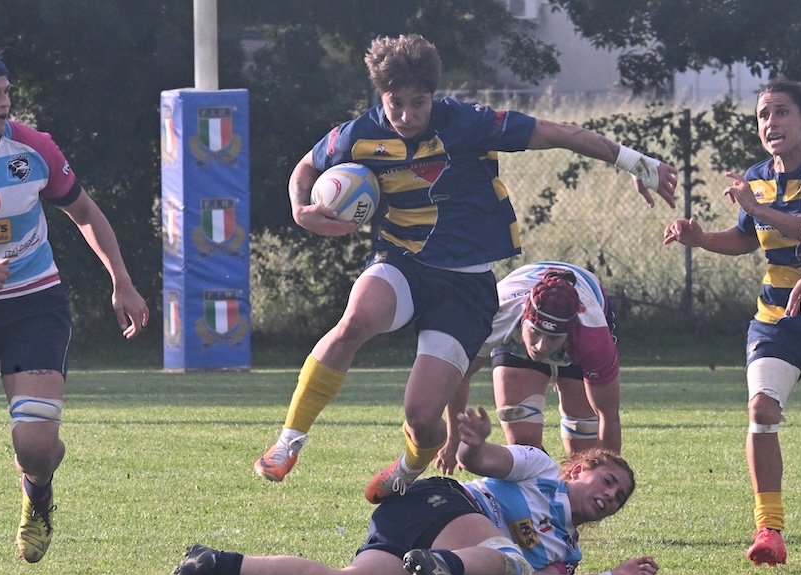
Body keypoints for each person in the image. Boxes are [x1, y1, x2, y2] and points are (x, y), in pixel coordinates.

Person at [253, 33, 678, 504]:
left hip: (466, 286)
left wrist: (637, 162)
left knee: (420, 416)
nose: (408, 115)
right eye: (397, 104)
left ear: (434, 95)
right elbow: (305, 169)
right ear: (381, 96)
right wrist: (299, 208)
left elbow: (560, 133)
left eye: (420, 103)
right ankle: (288, 443)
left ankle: (412, 463)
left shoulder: (469, 123)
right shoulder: (360, 134)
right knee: (355, 319)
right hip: (402, 259)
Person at [0, 50, 149, 575]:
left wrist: (120, 281)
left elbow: (84, 211)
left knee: (34, 445)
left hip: (35, 304)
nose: (4, 102)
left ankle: (37, 491)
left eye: (7, 91)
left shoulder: (33, 148)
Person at [662, 79, 801, 567]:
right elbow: (745, 239)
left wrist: (757, 208)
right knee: (761, 409)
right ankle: (768, 528)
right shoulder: (757, 176)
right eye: (762, 116)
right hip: (779, 320)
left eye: (781, 113)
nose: (770, 124)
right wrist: (701, 239)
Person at [174, 405, 658, 575]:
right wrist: (472, 442)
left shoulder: (566, 553)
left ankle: (218, 562)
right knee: (508, 562)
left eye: (619, 498)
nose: (612, 495)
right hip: (439, 500)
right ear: (579, 469)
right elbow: (481, 460)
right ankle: (441, 563)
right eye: (609, 480)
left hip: (417, 529)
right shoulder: (542, 469)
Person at [436, 261, 620, 477]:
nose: (541, 346)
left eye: (553, 338)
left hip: (585, 308)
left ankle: (572, 500)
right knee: (522, 437)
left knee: (584, 447)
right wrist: (453, 439)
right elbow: (460, 376)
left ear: (569, 333)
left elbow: (608, 415)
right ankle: (542, 494)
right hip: (514, 317)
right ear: (524, 319)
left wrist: (610, 478)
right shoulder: (494, 315)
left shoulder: (592, 337)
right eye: (536, 332)